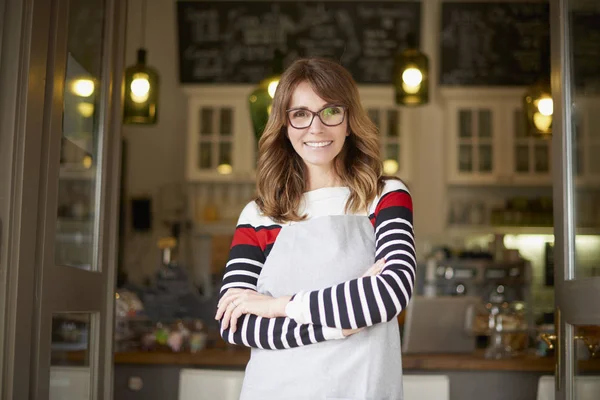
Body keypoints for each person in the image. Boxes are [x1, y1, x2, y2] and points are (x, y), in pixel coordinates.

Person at [215, 57, 416, 400]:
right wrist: (342, 325)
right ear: (285, 125)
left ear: (349, 121)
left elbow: (390, 293)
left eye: (331, 112)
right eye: (300, 114)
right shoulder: (259, 215)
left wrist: (275, 306)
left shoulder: (386, 196)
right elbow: (235, 323)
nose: (316, 128)